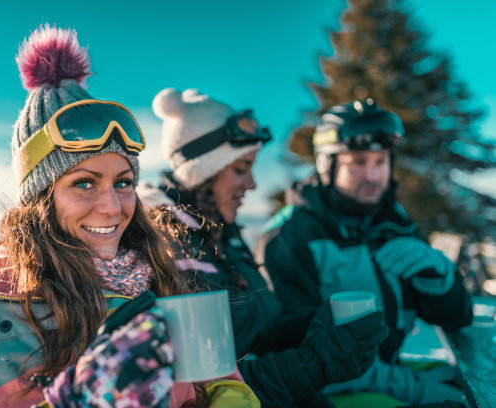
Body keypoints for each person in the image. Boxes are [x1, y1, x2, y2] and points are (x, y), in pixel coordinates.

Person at [0, 25, 258, 408]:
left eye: (123, 182)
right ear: (42, 198)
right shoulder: (7, 311)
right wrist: (77, 400)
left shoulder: (159, 272)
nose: (112, 206)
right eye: (84, 184)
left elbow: (226, 383)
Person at [137, 88, 390, 408]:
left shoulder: (218, 235)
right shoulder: (171, 250)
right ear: (204, 172)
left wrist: (314, 326)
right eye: (241, 169)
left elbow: (260, 332)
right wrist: (314, 362)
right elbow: (209, 390)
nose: (253, 184)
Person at [260, 98, 473, 405]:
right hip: (326, 392)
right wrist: (415, 389)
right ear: (327, 165)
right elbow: (294, 352)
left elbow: (458, 317)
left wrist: (440, 276)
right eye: (358, 162)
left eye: (380, 161)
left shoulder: (393, 223)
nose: (373, 176)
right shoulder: (290, 236)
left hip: (386, 372)